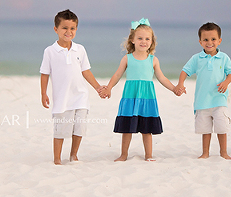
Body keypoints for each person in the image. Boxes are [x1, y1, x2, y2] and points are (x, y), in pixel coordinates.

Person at [100, 19, 178, 161]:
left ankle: (148, 155)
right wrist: (109, 88)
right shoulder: (127, 58)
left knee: (146, 129)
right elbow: (117, 75)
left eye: (147, 39)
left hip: (147, 98)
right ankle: (124, 155)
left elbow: (162, 78)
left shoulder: (153, 60)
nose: (144, 41)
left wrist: (174, 88)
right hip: (131, 96)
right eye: (140, 38)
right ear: (133, 40)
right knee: (127, 129)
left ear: (152, 41)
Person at [40, 9, 105, 165]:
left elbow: (86, 71)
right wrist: (43, 93)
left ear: (76, 29)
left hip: (81, 96)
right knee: (61, 130)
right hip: (62, 98)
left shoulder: (80, 49)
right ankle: (57, 159)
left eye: (72, 28)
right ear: (56, 29)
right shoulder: (50, 51)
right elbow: (44, 74)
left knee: (79, 128)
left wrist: (97, 87)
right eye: (64, 28)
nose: (68, 32)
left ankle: (73, 155)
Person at [175, 22, 231, 159]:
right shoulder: (197, 58)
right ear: (200, 42)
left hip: (219, 99)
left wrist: (226, 82)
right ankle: (205, 153)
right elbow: (185, 70)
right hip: (202, 101)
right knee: (205, 129)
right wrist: (180, 83)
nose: (210, 42)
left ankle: (223, 152)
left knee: (221, 127)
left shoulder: (224, 58)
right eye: (206, 40)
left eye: (213, 39)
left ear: (219, 40)